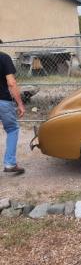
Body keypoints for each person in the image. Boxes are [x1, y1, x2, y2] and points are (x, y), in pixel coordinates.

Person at [0, 39, 25, 174]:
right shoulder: (4, 58)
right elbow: (11, 83)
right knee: (12, 129)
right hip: (3, 100)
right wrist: (20, 104)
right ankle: (10, 163)